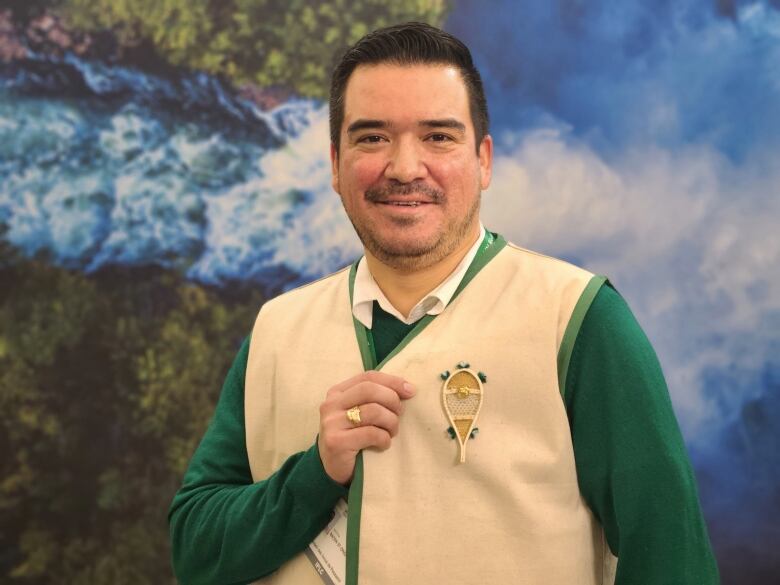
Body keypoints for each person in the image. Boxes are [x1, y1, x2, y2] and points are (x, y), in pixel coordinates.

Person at [168, 22, 719, 585]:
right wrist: (313, 476)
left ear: (483, 159)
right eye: (372, 137)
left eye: (438, 137)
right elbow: (195, 550)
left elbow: (672, 560)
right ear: (335, 164)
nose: (405, 168)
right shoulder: (275, 331)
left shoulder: (578, 319)